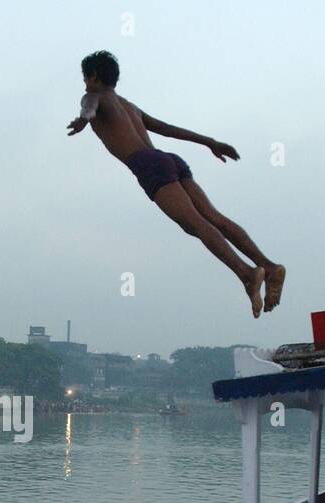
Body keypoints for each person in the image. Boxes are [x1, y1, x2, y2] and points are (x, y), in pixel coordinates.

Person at [67, 50, 285, 318]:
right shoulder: (128, 106)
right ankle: (269, 267)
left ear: (93, 76)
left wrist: (83, 119)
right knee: (213, 218)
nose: (84, 84)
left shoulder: (94, 96)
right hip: (169, 159)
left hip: (147, 165)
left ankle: (248, 274)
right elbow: (168, 128)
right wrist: (210, 142)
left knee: (195, 224)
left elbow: (88, 107)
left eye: (84, 78)